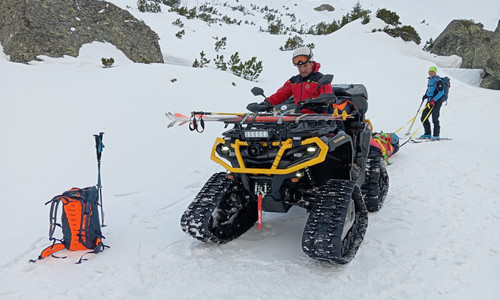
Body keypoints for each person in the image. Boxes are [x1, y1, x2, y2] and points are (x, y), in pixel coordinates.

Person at [248, 46, 333, 113]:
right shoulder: (294, 81)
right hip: (296, 117)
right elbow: (280, 95)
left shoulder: (322, 80)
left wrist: (315, 104)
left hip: (318, 120)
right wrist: (265, 104)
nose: (302, 69)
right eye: (299, 67)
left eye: (305, 66)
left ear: (311, 63)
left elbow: (327, 98)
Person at [420, 66, 445, 140]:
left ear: (435, 72)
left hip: (437, 101)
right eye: (430, 71)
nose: (431, 73)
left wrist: (434, 100)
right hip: (429, 101)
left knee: (435, 118)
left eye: (433, 71)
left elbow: (441, 92)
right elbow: (429, 89)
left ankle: (436, 135)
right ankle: (427, 133)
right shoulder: (430, 80)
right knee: (423, 117)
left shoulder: (438, 80)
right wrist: (426, 95)